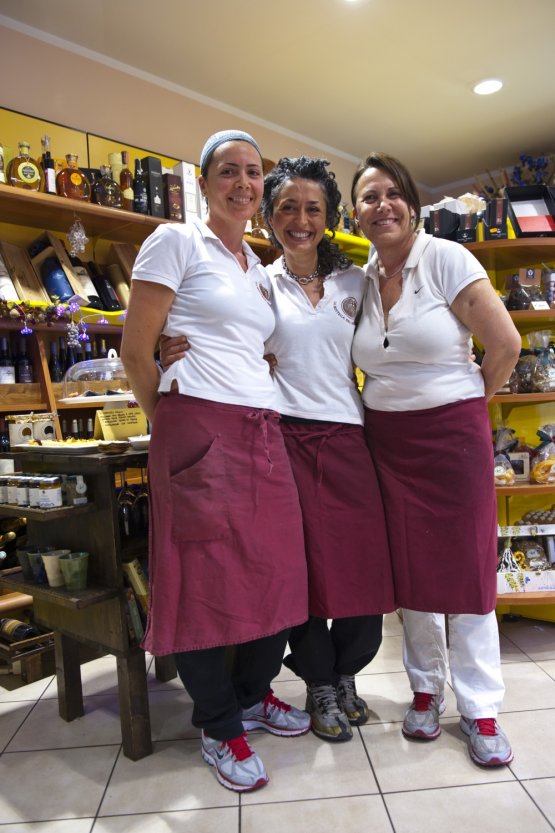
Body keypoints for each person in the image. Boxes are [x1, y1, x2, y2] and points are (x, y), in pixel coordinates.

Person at [162, 156, 395, 743]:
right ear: (268, 216)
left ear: (328, 217)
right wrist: (169, 349)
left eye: (312, 208)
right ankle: (320, 683)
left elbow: (394, 339)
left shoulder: (356, 283)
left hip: (348, 438)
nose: (300, 219)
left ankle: (345, 670)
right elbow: (223, 338)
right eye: (287, 206)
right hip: (281, 438)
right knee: (303, 578)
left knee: (363, 575)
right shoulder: (257, 282)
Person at [120, 130, 310, 794]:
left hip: (261, 431)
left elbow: (247, 344)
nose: (244, 183)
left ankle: (254, 693)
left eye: (254, 173)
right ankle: (218, 721)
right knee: (205, 578)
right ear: (202, 184)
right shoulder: (176, 240)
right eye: (228, 171)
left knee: (278, 570)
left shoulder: (255, 268)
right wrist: (168, 417)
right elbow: (135, 349)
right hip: (197, 425)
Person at [350, 151, 522, 767]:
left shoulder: (447, 258)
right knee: (413, 572)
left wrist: (467, 404)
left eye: (392, 193)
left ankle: (480, 707)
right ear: (356, 213)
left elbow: (505, 345)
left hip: (451, 438)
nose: (382, 205)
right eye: (369, 197)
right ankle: (425, 689)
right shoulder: (362, 278)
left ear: (412, 205)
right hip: (387, 442)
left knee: (469, 575)